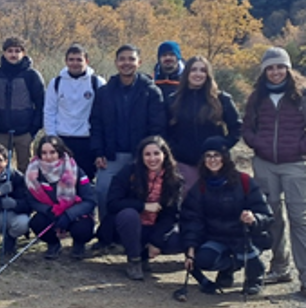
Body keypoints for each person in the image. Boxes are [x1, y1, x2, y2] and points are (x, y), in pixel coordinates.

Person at [89, 44, 165, 251]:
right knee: (103, 192)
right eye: (122, 59)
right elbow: (96, 123)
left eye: (131, 59)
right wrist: (98, 152)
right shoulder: (104, 92)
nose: (126, 63)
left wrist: (149, 155)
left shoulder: (151, 91)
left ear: (139, 62)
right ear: (116, 63)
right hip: (111, 155)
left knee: (138, 196)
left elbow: (157, 127)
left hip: (140, 156)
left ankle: (133, 237)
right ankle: (107, 237)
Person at [242, 47, 306, 290]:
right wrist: (257, 143)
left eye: (280, 67)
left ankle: (305, 276)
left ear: (288, 68)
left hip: (295, 164)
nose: (275, 72)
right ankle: (280, 267)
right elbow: (246, 126)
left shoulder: (301, 95)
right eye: (270, 68)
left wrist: (300, 147)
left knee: (299, 220)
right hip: (265, 163)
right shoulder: (257, 97)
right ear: (264, 71)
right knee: (272, 217)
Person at [181, 137, 273, 295]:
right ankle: (228, 268)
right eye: (208, 156)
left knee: (245, 249)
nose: (212, 160)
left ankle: (255, 276)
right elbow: (192, 219)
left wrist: (253, 218)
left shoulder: (245, 181)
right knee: (204, 259)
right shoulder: (200, 187)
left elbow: (266, 214)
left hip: (244, 236)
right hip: (216, 237)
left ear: (225, 157)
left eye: (217, 155)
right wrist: (191, 248)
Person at [107, 136, 184, 280]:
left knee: (182, 236)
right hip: (127, 227)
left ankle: (144, 256)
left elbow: (172, 215)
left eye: (156, 153)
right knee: (129, 214)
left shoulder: (174, 179)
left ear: (164, 154)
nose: (152, 158)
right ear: (141, 157)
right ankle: (134, 260)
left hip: (154, 228)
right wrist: (143, 206)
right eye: (147, 154)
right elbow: (112, 203)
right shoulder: (128, 172)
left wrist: (157, 242)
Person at [166, 56, 241, 194]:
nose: (198, 74)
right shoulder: (173, 100)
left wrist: (223, 145)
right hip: (184, 163)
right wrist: (175, 150)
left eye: (203, 70)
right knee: (188, 202)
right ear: (187, 73)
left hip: (215, 164)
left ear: (208, 74)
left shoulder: (222, 99)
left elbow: (237, 128)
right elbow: (165, 131)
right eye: (194, 70)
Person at [26, 135, 96, 260]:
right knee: (37, 222)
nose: (48, 157)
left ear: (60, 152)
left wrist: (69, 214)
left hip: (74, 214)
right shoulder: (33, 173)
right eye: (44, 153)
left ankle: (79, 245)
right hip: (51, 213)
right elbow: (32, 200)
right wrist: (48, 210)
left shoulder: (75, 170)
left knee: (83, 228)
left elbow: (90, 201)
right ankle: (53, 244)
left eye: (52, 152)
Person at [43, 44, 105, 179]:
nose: (75, 63)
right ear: (66, 61)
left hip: (87, 139)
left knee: (86, 179)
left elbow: (104, 113)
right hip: (63, 139)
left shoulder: (97, 82)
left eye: (79, 60)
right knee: (62, 178)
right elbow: (49, 111)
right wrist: (52, 139)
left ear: (86, 61)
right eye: (71, 59)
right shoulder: (56, 83)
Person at [0, 36, 45, 172]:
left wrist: (33, 130)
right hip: (0, 132)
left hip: (24, 133)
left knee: (26, 169)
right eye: (10, 51)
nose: (13, 54)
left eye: (17, 51)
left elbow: (41, 104)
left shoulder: (32, 75)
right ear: (4, 53)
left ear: (23, 53)